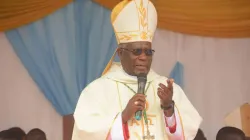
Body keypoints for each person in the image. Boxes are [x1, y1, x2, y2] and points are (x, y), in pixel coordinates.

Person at [72, 0, 202, 139]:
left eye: (148, 52)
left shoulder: (166, 88)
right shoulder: (98, 91)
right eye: (137, 51)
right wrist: (123, 117)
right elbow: (87, 132)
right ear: (120, 53)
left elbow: (185, 135)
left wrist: (168, 108)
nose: (143, 57)